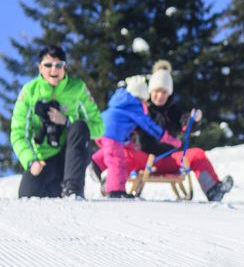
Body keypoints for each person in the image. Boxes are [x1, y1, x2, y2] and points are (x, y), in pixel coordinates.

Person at [90, 60, 234, 201]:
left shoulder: (174, 110)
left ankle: (213, 190)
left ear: (169, 93)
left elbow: (187, 125)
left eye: (164, 92)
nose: (160, 96)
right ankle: (111, 183)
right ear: (150, 91)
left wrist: (193, 121)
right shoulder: (140, 109)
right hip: (144, 159)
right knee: (124, 153)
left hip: (170, 159)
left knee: (197, 154)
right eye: (157, 91)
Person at [10, 45, 104, 199]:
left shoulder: (77, 88)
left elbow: (99, 128)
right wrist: (30, 161)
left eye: (59, 65)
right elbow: (18, 133)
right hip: (42, 159)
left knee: (80, 126)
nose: (54, 69)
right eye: (48, 65)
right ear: (40, 67)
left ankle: (73, 190)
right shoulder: (29, 91)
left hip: (69, 158)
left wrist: (67, 121)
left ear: (64, 67)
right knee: (27, 197)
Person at [95, 75, 182, 198]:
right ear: (141, 97)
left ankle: (96, 162)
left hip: (101, 130)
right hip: (112, 135)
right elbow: (151, 127)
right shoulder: (134, 107)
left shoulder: (121, 102)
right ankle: (116, 191)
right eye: (145, 101)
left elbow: (122, 128)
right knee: (117, 161)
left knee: (114, 153)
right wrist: (171, 140)